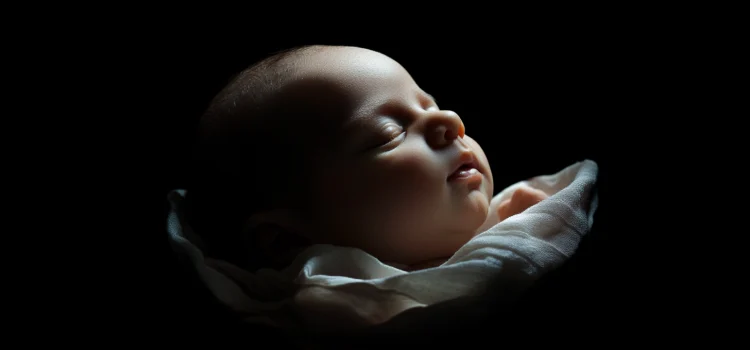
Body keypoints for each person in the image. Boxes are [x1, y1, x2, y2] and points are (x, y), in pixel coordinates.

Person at [184, 44, 549, 273]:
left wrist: (520, 228)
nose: (450, 122)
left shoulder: (535, 212)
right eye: (388, 134)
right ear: (287, 243)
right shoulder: (335, 313)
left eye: (431, 105)